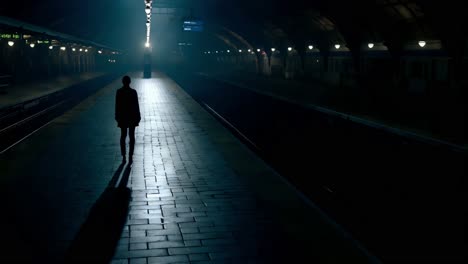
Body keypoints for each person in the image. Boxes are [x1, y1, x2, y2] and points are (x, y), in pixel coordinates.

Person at [115, 76, 141, 163]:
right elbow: (136, 106)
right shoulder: (133, 92)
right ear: (130, 82)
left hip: (122, 117)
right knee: (132, 136)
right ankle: (130, 156)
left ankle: (124, 156)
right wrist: (138, 116)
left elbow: (117, 106)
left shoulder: (119, 92)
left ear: (122, 82)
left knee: (123, 136)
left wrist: (117, 116)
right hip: (132, 117)